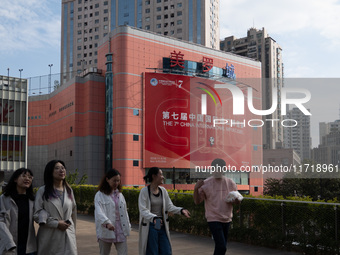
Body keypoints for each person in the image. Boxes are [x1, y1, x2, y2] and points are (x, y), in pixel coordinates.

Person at [138, 167, 191, 255]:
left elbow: (169, 206)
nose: (163, 177)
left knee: (166, 250)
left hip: (161, 224)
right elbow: (143, 210)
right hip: (151, 225)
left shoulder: (163, 191)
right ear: (154, 176)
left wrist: (181, 210)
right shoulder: (144, 191)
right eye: (161, 174)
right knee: (153, 252)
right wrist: (154, 218)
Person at [193, 158, 240, 255]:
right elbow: (197, 201)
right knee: (221, 246)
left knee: (221, 246)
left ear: (224, 169)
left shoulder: (231, 183)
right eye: (215, 168)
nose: (217, 171)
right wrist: (196, 188)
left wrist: (237, 201)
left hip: (227, 218)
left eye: (220, 168)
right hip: (213, 218)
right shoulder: (206, 183)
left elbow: (236, 202)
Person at [34, 160, 77, 255]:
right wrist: (56, 223)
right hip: (50, 235)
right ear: (50, 172)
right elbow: (37, 214)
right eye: (57, 168)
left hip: (67, 235)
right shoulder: (43, 191)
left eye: (63, 168)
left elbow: (73, 214)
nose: (61, 170)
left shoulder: (69, 191)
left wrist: (72, 231)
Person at [0, 168, 37, 255]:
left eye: (30, 177)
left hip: (29, 247)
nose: (27, 179)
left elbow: (38, 214)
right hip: (9, 245)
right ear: (15, 179)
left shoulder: (33, 200)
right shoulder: (4, 199)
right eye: (24, 176)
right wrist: (9, 243)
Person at [94, 169, 131, 255]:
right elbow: (99, 212)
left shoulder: (120, 195)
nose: (116, 183)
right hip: (106, 229)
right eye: (114, 180)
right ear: (107, 179)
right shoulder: (100, 195)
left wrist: (128, 226)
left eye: (118, 181)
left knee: (123, 253)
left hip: (120, 229)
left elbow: (125, 212)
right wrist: (107, 223)